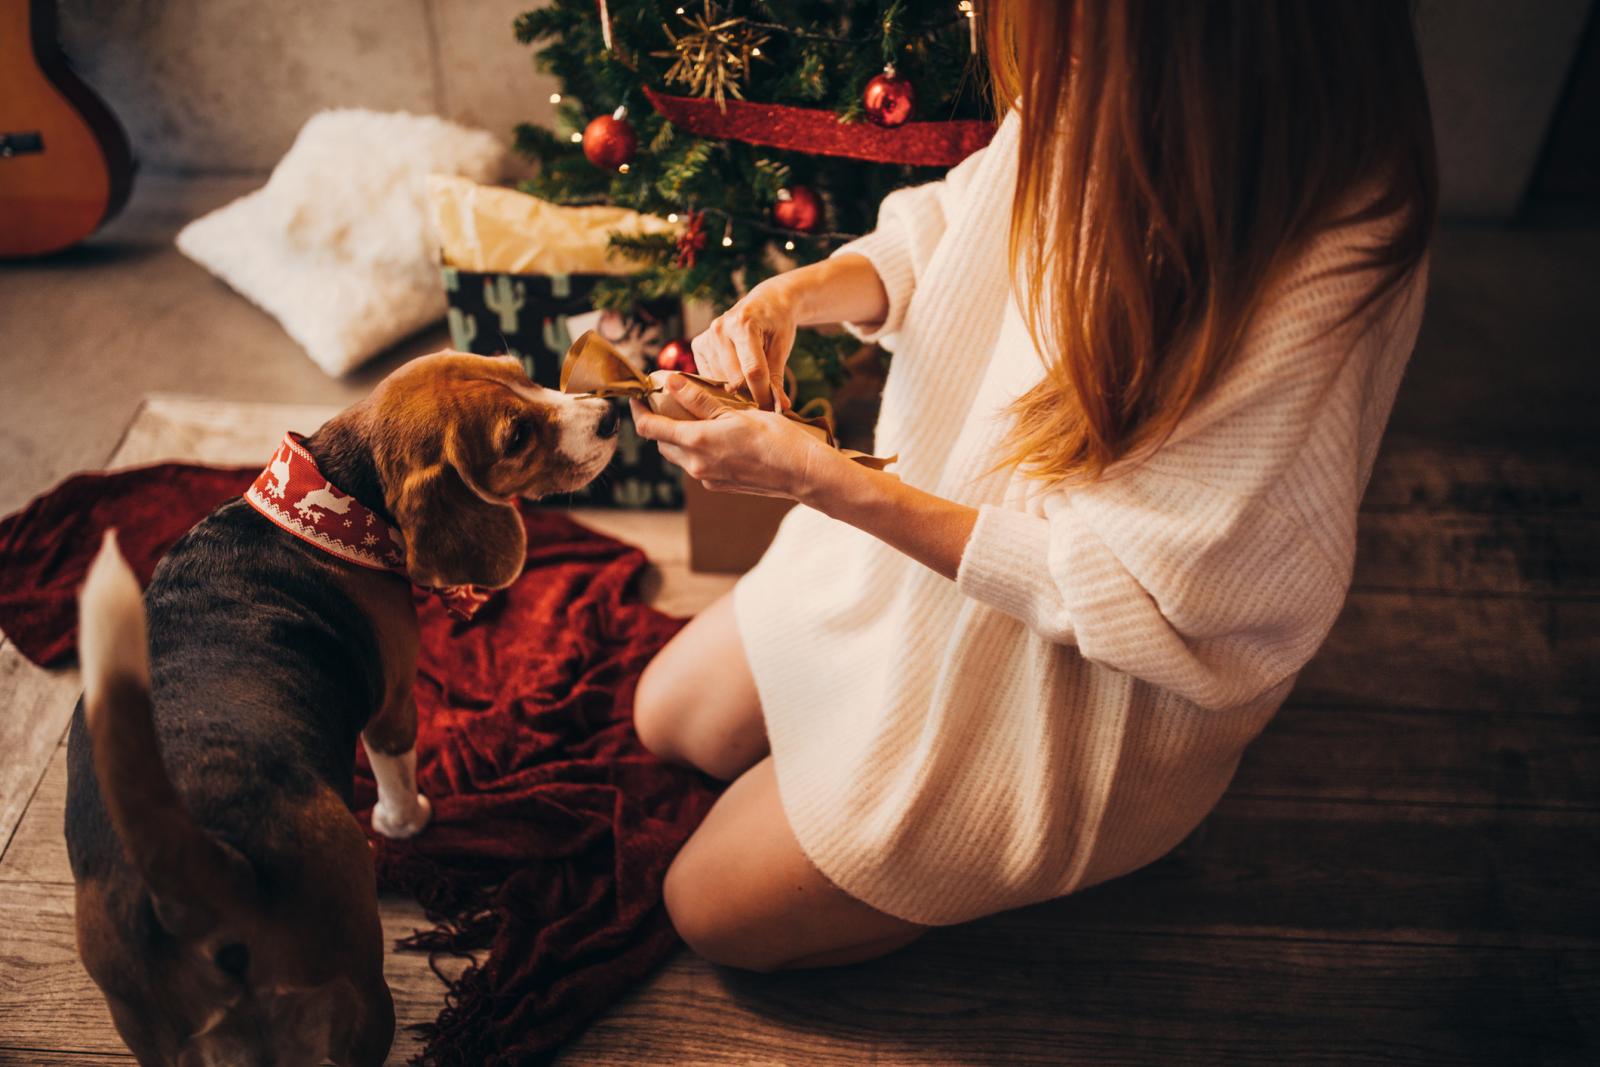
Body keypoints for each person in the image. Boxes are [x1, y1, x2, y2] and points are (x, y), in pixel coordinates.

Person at [629, 0, 1437, 972]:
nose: (976, 12)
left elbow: (1158, 595)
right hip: (922, 543)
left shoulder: (1327, 244)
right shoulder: (1116, 73)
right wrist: (796, 293)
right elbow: (958, 224)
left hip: (1070, 682)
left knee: (704, 906)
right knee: (664, 717)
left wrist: (825, 483)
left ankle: (1010, 846)